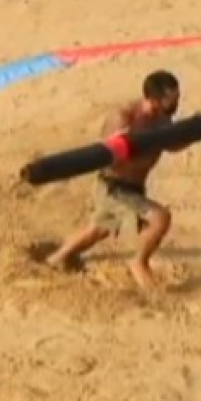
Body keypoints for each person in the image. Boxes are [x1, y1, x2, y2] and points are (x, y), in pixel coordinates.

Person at [45, 71, 186, 290]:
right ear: (153, 99)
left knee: (98, 230)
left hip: (134, 187)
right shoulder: (125, 117)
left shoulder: (163, 118)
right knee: (160, 218)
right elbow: (106, 153)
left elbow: (172, 146)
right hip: (113, 186)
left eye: (177, 97)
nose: (176, 103)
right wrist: (129, 144)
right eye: (171, 99)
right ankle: (138, 263)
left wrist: (193, 132)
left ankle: (57, 258)